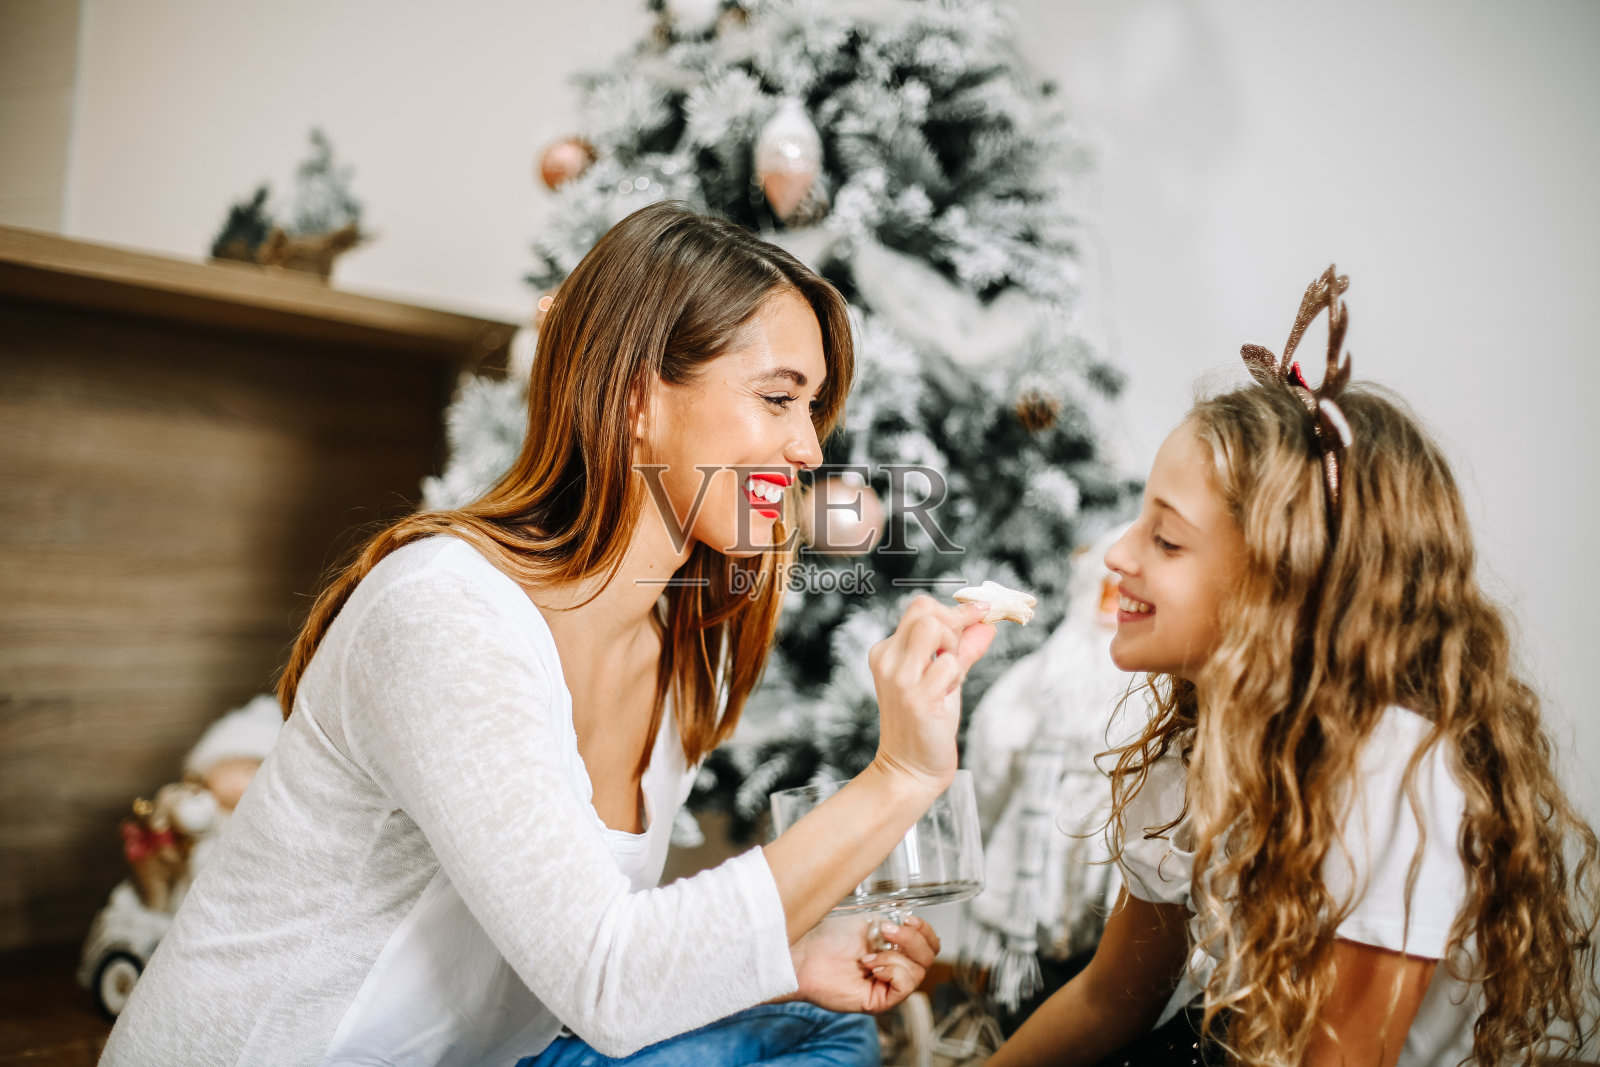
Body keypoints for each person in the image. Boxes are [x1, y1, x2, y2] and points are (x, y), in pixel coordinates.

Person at [100, 201, 997, 1067]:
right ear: (638, 396)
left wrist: (784, 963)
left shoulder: (687, 651)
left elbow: (575, 952)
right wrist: (901, 776)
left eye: (813, 408)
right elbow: (610, 980)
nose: (809, 449)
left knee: (823, 1028)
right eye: (777, 397)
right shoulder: (444, 612)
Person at [989, 268, 1599, 1067]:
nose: (1117, 555)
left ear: (1285, 583)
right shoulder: (1204, 745)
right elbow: (1110, 997)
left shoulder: (1391, 776)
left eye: (1166, 539)